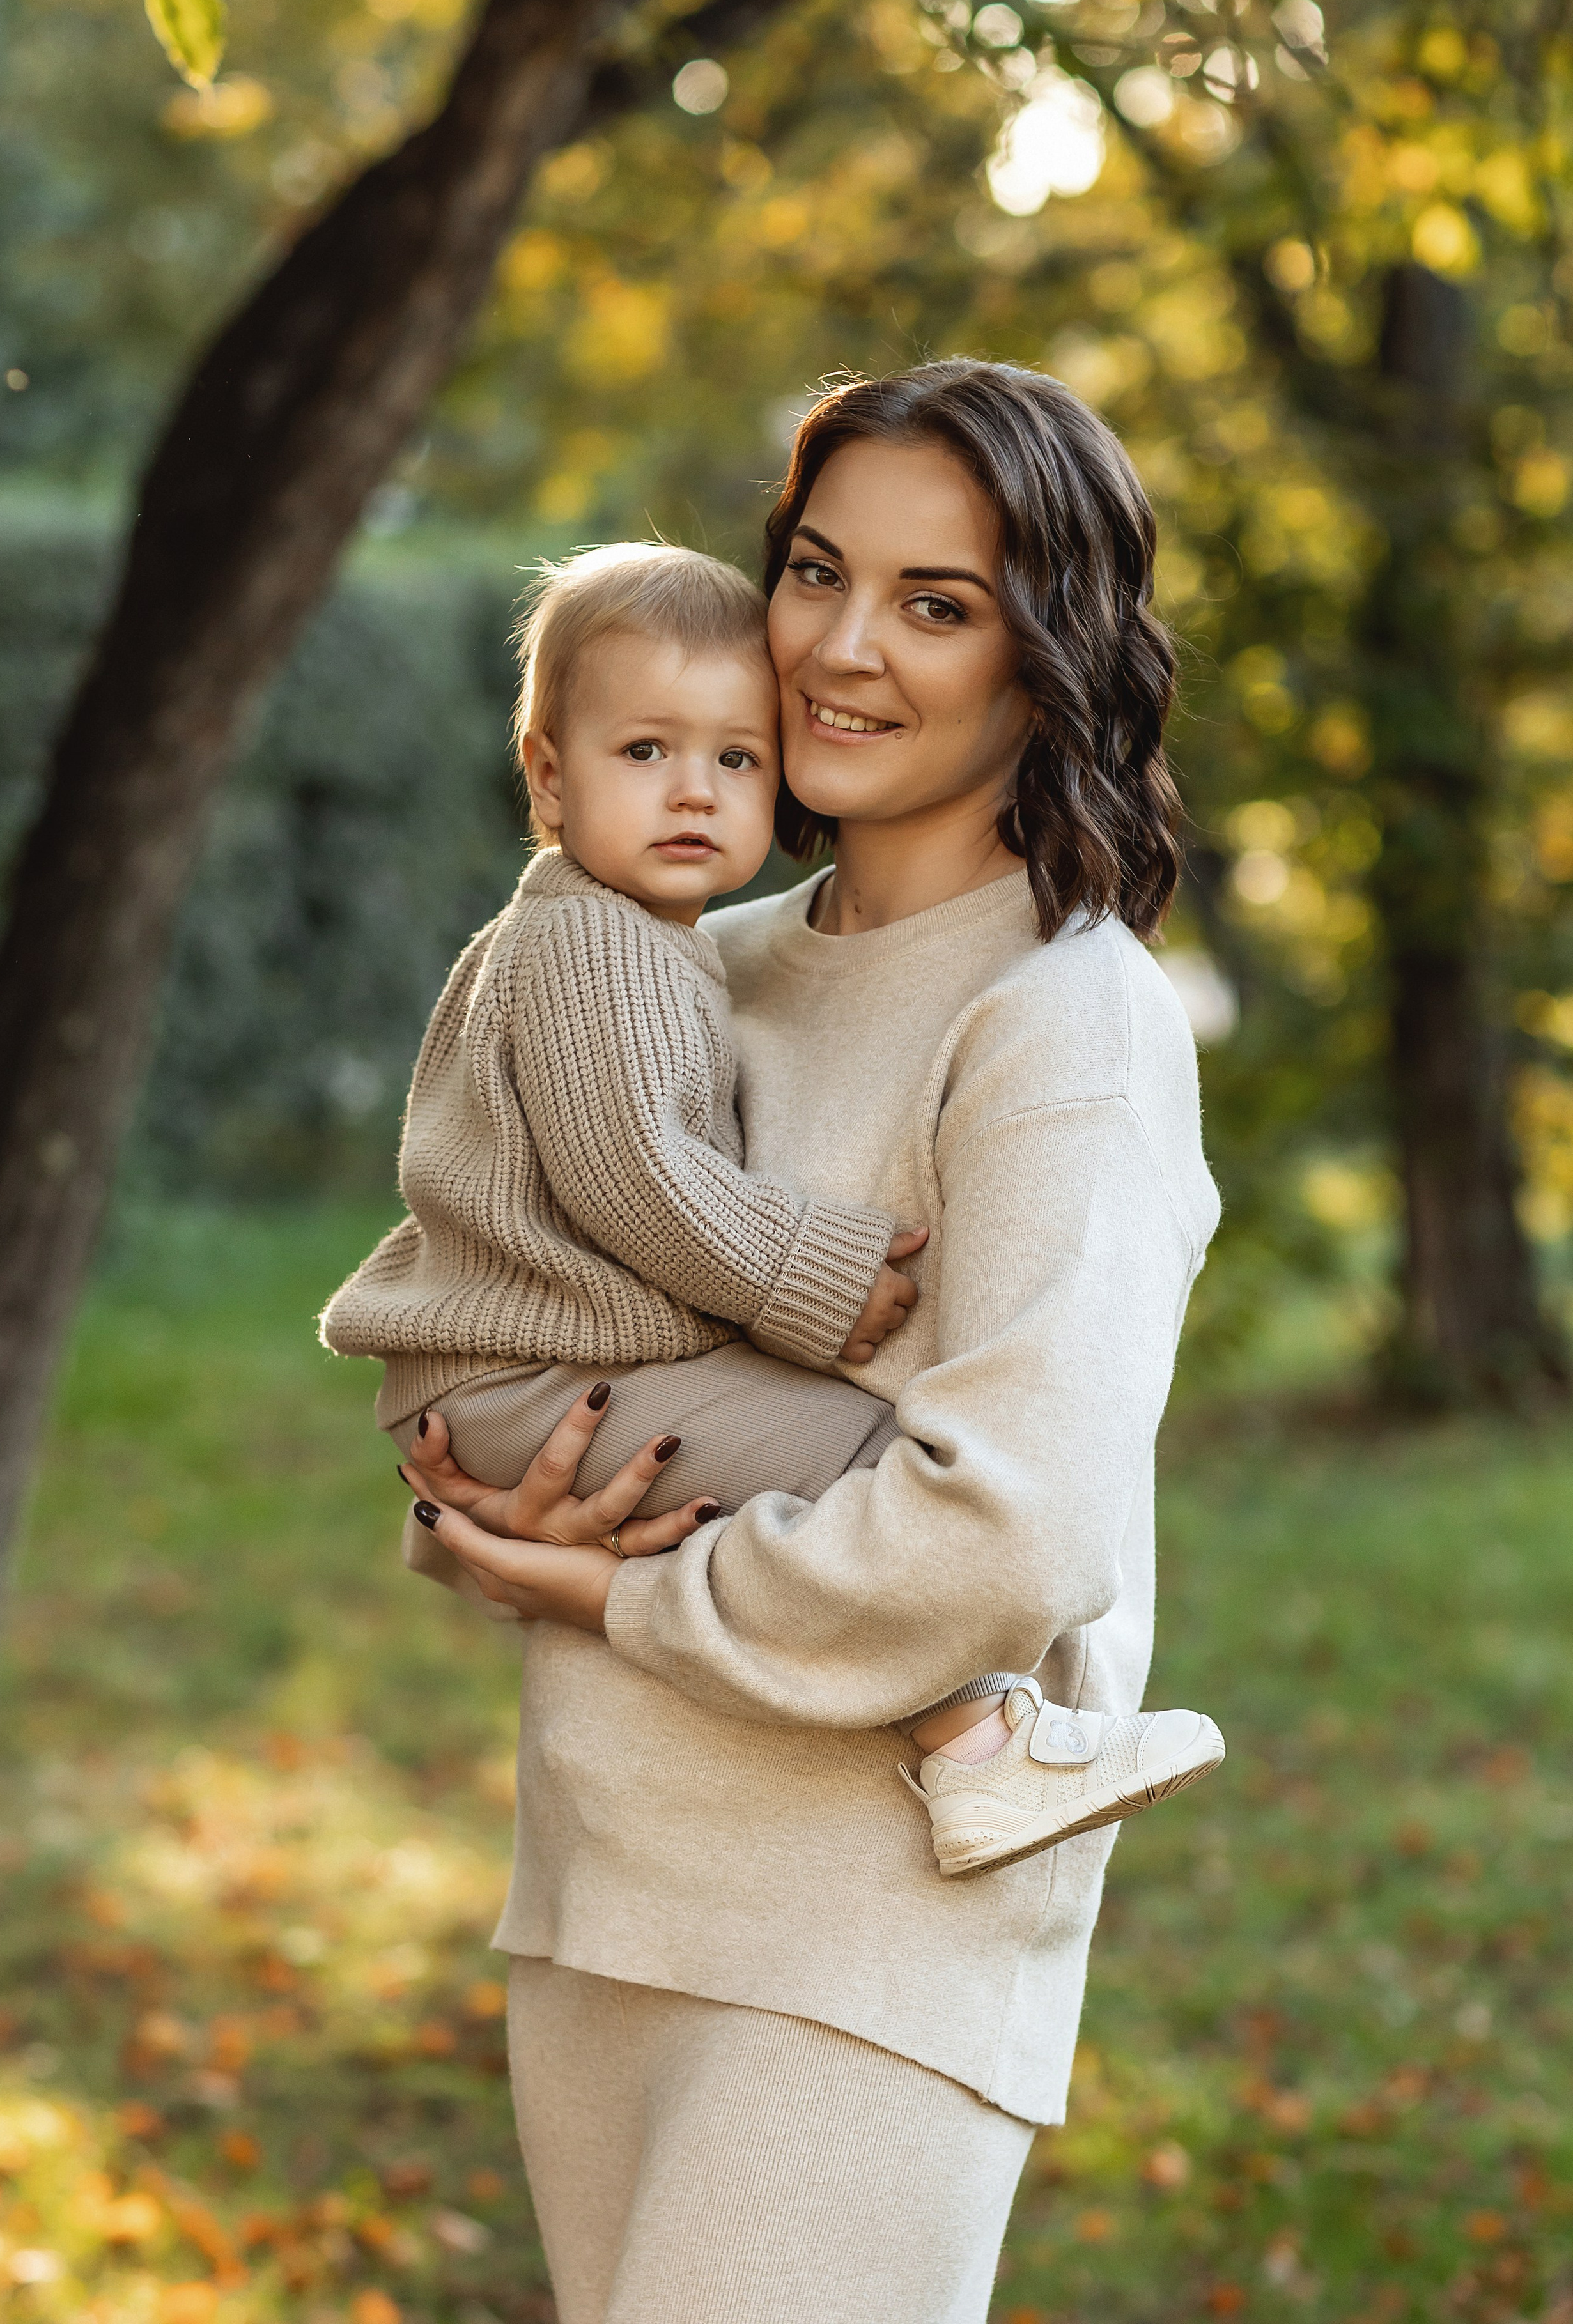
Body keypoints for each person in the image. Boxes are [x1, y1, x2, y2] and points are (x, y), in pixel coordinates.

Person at [393, 360, 1223, 2324]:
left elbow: (1002, 1541)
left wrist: (605, 1596)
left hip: (868, 1942)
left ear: (1050, 650)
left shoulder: (1065, 1025)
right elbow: (495, 1284)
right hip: (609, 1881)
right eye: (819, 573)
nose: (845, 650)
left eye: (937, 603)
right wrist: (469, 1503)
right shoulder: (681, 952)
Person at [322, 536, 1222, 1875]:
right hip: (538, 1379)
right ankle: (981, 1748)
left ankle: (974, 1742)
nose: (694, 793)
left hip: (535, 1390)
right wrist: (810, 1273)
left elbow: (1015, 1527)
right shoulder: (598, 944)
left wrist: (535, 1560)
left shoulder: (685, 945)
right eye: (645, 755)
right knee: (865, 1459)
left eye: (735, 760)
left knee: (879, 1483)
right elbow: (636, 1177)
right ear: (548, 775)